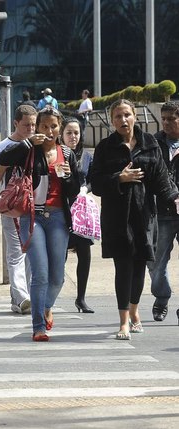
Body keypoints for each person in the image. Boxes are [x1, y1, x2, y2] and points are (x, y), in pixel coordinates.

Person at [89, 99, 179, 340]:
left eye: (127, 114)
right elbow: (95, 183)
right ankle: (123, 322)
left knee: (140, 266)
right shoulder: (105, 147)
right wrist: (119, 178)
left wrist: (174, 198)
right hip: (117, 218)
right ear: (112, 120)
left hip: (144, 215)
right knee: (123, 267)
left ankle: (134, 311)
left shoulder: (150, 144)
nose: (123, 120)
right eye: (117, 116)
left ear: (135, 116)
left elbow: (161, 178)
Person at [0, 106, 81, 342]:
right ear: (37, 127)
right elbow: (4, 159)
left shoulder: (66, 153)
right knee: (40, 274)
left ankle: (45, 306)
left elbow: (74, 190)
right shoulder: (28, 150)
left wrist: (68, 177)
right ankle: (38, 326)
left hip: (58, 217)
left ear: (60, 127)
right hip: (32, 217)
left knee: (58, 277)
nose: (49, 131)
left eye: (54, 126)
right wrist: (27, 143)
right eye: (44, 126)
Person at [0, 104, 37, 314]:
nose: (31, 129)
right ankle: (22, 297)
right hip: (12, 206)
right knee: (16, 253)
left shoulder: (37, 144)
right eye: (26, 125)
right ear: (16, 123)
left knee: (32, 253)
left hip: (34, 207)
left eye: (33, 125)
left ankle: (22, 297)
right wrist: (7, 161)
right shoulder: (1, 147)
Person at [148, 101, 179, 322]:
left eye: (171, 118)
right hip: (162, 211)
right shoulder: (153, 143)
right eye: (164, 118)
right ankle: (162, 296)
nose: (166, 123)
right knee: (156, 262)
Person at [61, 116, 95, 313]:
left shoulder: (87, 157)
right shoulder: (57, 154)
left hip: (81, 210)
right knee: (60, 255)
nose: (73, 136)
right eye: (69, 133)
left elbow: (94, 180)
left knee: (85, 253)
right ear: (62, 134)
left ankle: (81, 298)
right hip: (61, 209)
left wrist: (85, 188)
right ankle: (52, 294)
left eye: (76, 133)